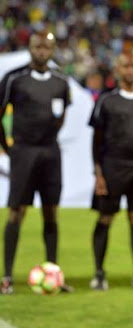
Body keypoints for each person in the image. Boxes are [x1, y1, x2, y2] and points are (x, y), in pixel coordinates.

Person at [0, 31, 72, 295]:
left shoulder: (61, 80)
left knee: (51, 212)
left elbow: (62, 113)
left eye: (47, 46)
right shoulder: (13, 79)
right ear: (29, 47)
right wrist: (8, 147)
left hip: (50, 153)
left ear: (53, 49)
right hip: (23, 152)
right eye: (37, 45)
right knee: (17, 211)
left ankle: (54, 273)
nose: (42, 50)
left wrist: (49, 134)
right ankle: (7, 277)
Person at [88, 49, 133, 291]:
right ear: (117, 69)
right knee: (106, 218)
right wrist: (98, 174)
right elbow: (96, 141)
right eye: (126, 66)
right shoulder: (107, 101)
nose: (130, 70)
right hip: (112, 169)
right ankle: (99, 273)